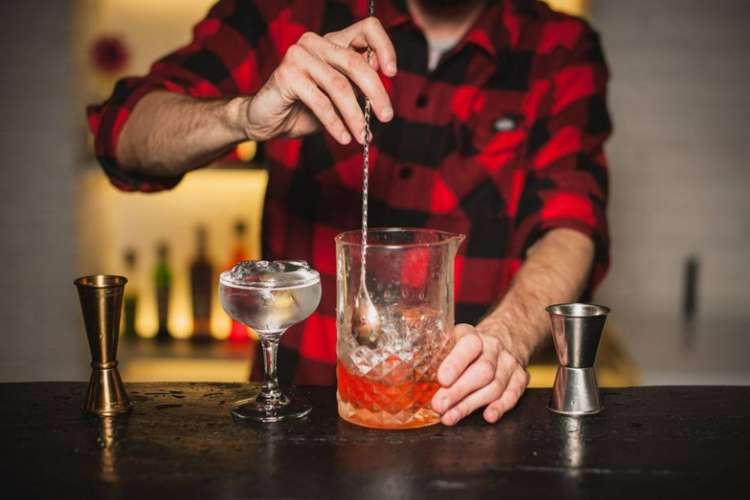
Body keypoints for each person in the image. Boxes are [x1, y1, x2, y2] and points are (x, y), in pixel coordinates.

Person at [88, 0, 611, 426]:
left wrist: (508, 338)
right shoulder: (288, 12)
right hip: (292, 418)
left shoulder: (558, 46)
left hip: (461, 419)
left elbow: (572, 222)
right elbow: (122, 134)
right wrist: (244, 115)